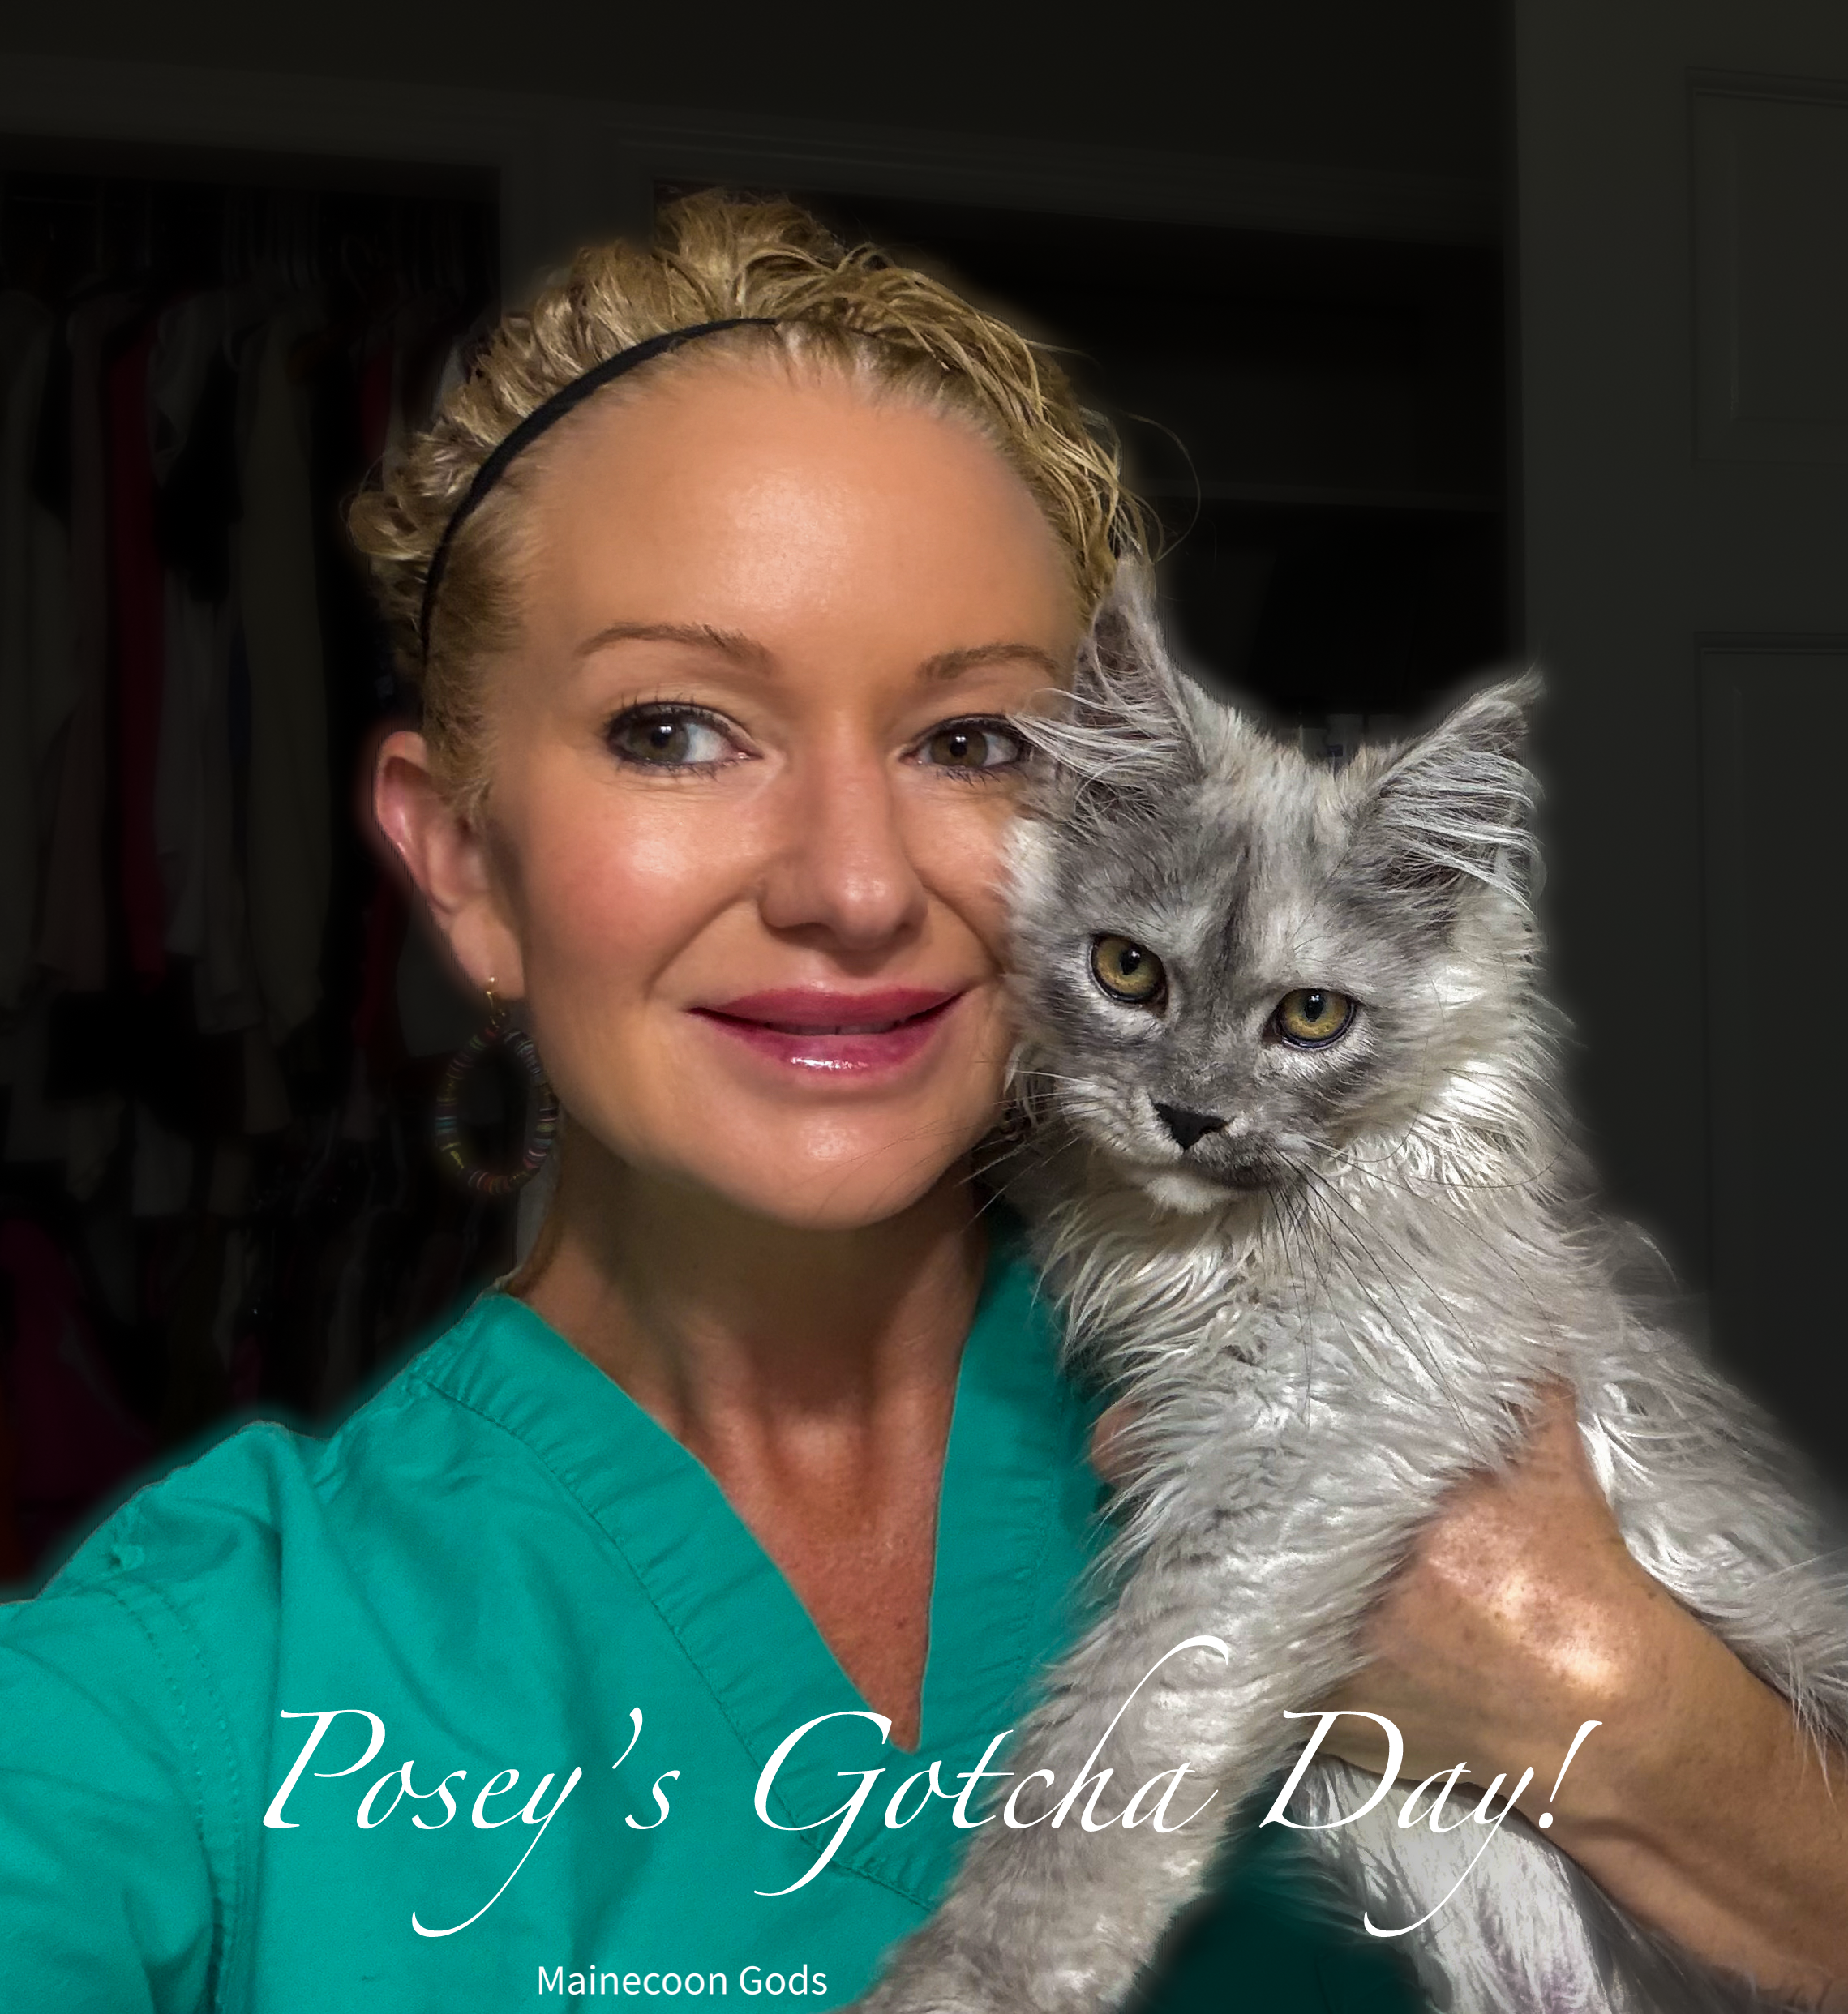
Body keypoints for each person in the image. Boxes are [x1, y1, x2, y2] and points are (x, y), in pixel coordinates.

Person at [1, 192, 1842, 2012]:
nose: (852, 887)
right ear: (461, 858)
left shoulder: (1401, 1411)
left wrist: (1638, 1724)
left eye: (969, 743)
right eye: (677, 728)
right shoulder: (177, 1683)